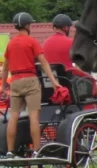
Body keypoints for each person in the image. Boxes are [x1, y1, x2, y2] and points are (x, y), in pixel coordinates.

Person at [0, 12, 62, 158]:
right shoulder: (31, 41)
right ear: (27, 25)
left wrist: (3, 86)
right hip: (30, 80)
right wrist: (54, 82)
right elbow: (44, 62)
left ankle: (10, 151)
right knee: (34, 116)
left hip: (15, 81)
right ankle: (36, 151)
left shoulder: (10, 44)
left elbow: (6, 68)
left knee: (13, 117)